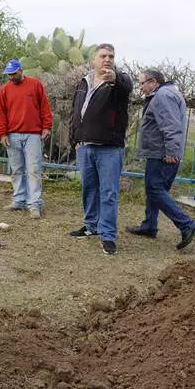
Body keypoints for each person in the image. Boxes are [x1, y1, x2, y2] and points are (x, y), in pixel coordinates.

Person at [125, 69, 195, 249]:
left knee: (154, 189)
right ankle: (149, 225)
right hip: (162, 152)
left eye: (142, 83)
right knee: (155, 190)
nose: (140, 87)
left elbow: (171, 125)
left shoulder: (162, 96)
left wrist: (171, 152)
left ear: (154, 82)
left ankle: (187, 224)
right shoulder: (168, 93)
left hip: (162, 154)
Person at [68, 43, 132, 255]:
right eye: (103, 55)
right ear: (93, 60)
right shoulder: (84, 82)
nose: (107, 59)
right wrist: (74, 138)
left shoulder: (117, 84)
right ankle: (91, 226)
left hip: (109, 148)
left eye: (111, 56)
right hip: (85, 147)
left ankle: (108, 235)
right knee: (89, 189)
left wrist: (115, 78)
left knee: (109, 193)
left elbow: (127, 84)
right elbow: (76, 111)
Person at [0, 58, 53, 219]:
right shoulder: (4, 90)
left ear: (21, 70)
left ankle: (34, 204)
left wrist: (46, 127)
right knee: (17, 169)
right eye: (8, 74)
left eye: (13, 74)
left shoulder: (36, 85)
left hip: (33, 134)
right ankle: (19, 200)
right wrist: (3, 133)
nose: (10, 77)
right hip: (12, 135)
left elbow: (45, 108)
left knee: (33, 169)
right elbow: (1, 114)